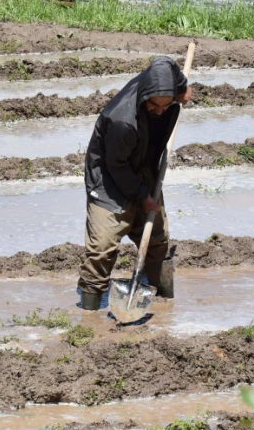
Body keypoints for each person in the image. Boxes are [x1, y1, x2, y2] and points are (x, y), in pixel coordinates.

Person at [77, 56, 190, 310]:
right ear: (144, 98)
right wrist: (143, 197)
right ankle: (89, 311)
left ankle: (163, 300)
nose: (161, 111)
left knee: (158, 239)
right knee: (102, 248)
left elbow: (167, 64)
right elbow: (117, 167)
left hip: (145, 167)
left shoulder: (163, 85)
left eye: (166, 105)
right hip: (108, 179)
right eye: (155, 107)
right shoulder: (122, 121)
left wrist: (182, 91)